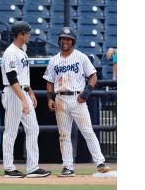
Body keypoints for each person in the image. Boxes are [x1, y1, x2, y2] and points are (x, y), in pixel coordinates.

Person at [43, 27, 110, 177]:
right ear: (59, 40)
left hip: (77, 98)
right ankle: (68, 167)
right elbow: (49, 81)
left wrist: (86, 93)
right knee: (64, 135)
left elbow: (93, 76)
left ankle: (100, 162)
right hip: (60, 98)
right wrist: (50, 98)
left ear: (73, 41)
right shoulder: (54, 60)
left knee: (87, 131)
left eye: (68, 39)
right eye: (63, 38)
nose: (65, 41)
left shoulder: (81, 57)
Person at [1, 21, 51, 178]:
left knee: (33, 129)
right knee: (11, 131)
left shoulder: (22, 50)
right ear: (20, 35)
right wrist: (22, 99)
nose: (30, 35)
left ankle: (32, 167)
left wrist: (30, 92)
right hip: (13, 93)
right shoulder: (10, 52)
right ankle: (9, 168)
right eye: (27, 33)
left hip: (22, 92)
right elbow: (12, 78)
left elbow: (22, 77)